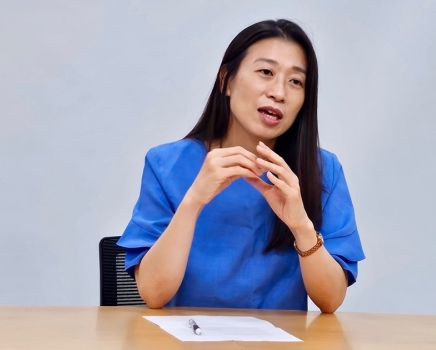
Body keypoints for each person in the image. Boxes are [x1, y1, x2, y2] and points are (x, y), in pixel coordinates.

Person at [117, 19, 364, 313]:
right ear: (226, 81)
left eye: (296, 81)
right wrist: (194, 201)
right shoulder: (166, 164)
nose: (279, 93)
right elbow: (153, 293)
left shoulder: (322, 170)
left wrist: (301, 225)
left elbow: (331, 300)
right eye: (266, 72)